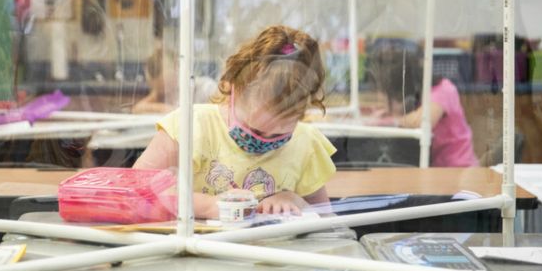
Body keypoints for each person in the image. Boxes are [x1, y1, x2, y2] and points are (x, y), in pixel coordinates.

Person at [133, 25, 336, 218]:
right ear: (232, 88)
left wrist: (297, 201)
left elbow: (327, 221)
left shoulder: (306, 144)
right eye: (252, 129)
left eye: (278, 136)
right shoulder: (189, 126)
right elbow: (134, 190)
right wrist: (208, 206)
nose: (262, 142)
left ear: (301, 113)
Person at [369, 41, 479, 167]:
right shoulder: (416, 97)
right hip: (435, 168)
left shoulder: (443, 90)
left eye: (392, 97)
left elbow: (422, 121)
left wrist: (393, 119)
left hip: (459, 168)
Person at [132, 41, 217, 115]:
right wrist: (164, 108)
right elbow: (137, 108)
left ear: (178, 68)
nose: (167, 92)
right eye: (162, 89)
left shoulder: (206, 88)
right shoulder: (161, 93)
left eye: (168, 86)